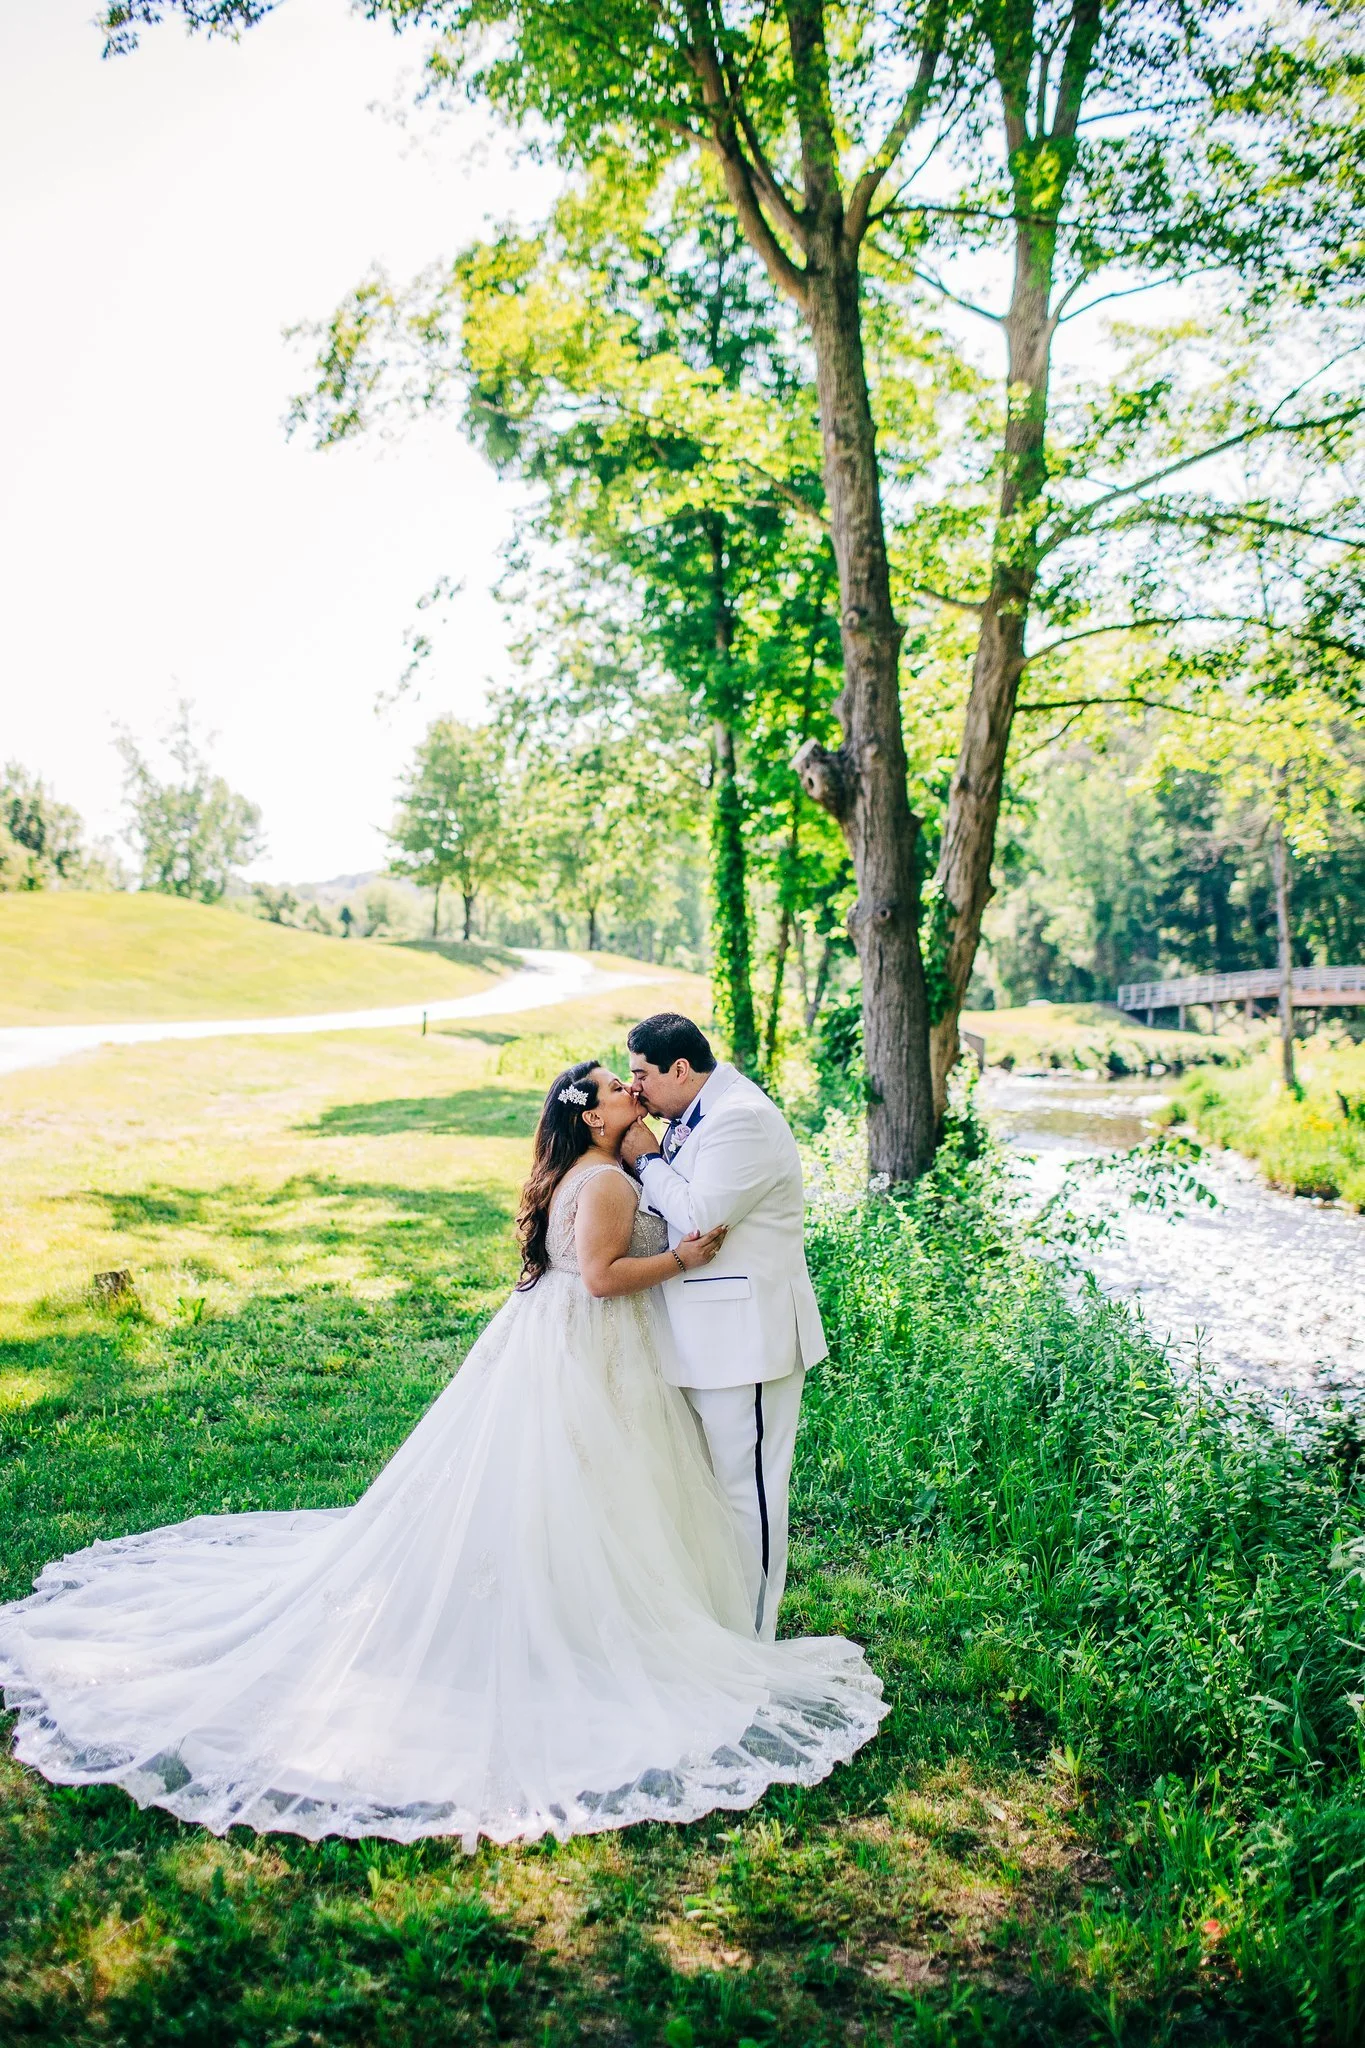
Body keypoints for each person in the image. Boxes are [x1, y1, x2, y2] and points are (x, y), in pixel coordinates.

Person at [0, 1062, 885, 1848]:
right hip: (593, 1346)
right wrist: (682, 1258)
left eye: (633, 1081)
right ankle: (597, 1621)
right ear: (592, 1117)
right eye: (617, 1089)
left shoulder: (581, 1172)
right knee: (592, 1482)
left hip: (565, 1341)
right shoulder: (608, 1185)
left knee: (564, 1484)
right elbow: (603, 1277)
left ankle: (583, 1599)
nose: (630, 1092)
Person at [621, 1014, 824, 1640]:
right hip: (701, 1338)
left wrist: (646, 1158)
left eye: (642, 1075)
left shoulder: (742, 1118)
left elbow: (699, 1216)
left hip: (747, 1344)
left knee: (748, 1496)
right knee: (710, 1492)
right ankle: (718, 1631)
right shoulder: (696, 1111)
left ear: (681, 1070)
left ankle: (754, 1642)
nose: (635, 1089)